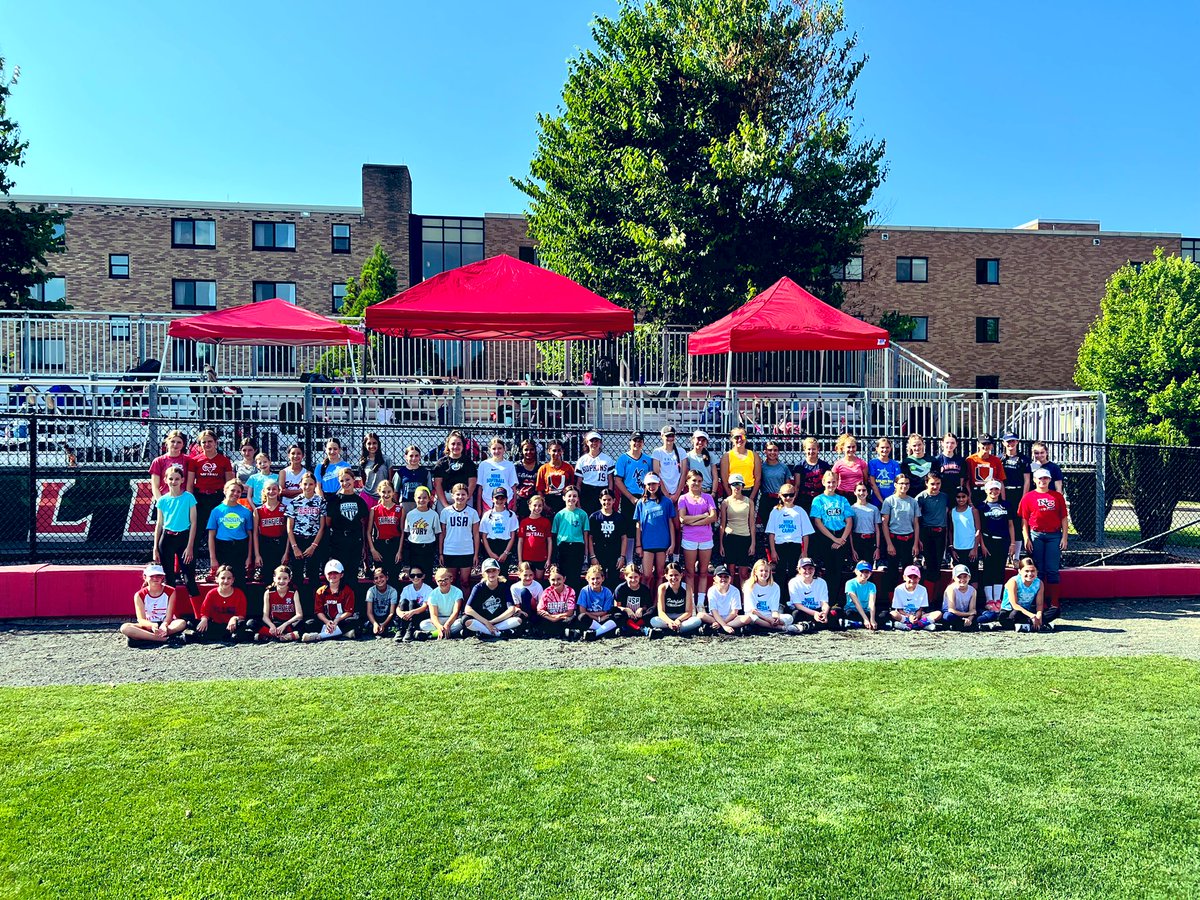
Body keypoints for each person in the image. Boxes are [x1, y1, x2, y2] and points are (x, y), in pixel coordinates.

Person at [1018, 470, 1069, 610]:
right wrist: (1026, 538)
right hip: (1036, 535)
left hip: (1054, 536)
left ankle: (1054, 602)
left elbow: (1064, 518)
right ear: (1034, 480)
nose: (1043, 481)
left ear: (1050, 480)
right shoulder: (1028, 497)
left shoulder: (1057, 496)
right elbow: (1024, 520)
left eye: (1046, 478)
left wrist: (1064, 537)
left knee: (1052, 569)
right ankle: (1038, 601)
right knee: (1038, 569)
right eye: (1040, 478)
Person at [187, 429, 234, 568]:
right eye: (204, 442)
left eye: (210, 441)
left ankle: (222, 570)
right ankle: (190, 570)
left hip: (218, 499)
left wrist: (226, 503)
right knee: (196, 533)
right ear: (200, 445)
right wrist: (191, 503)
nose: (207, 444)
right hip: (200, 499)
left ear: (216, 442)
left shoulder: (224, 460)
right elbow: (190, 485)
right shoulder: (194, 461)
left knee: (220, 533)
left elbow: (229, 484)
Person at [152, 466, 198, 599]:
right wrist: (155, 548)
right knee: (169, 579)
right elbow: (159, 524)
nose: (174, 481)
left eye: (177, 479)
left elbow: (194, 522)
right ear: (165, 480)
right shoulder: (162, 500)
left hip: (184, 539)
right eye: (171, 479)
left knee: (189, 578)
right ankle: (170, 610)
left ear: (182, 480)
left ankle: (198, 611)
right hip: (167, 539)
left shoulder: (188, 497)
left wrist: (190, 546)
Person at [285, 472, 327, 608]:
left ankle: (315, 608)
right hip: (298, 541)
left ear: (315, 485)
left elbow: (322, 527)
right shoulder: (294, 502)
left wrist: (313, 546)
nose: (307, 487)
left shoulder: (320, 501)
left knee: (314, 575)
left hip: (314, 542)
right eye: (305, 484)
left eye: (311, 484)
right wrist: (295, 547)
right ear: (300, 485)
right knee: (297, 577)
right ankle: (299, 608)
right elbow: (289, 528)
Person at [120, 564, 188, 646]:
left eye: (158, 576)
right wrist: (152, 625)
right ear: (145, 577)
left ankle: (146, 638)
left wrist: (164, 625)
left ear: (163, 577)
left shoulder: (171, 591)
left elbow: (169, 616)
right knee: (125, 628)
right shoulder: (139, 595)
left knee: (182, 623)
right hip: (148, 625)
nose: (155, 578)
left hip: (166, 625)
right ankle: (165, 639)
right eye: (152, 576)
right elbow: (141, 620)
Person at [977, 480, 1017, 615]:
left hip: (1003, 541)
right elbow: (979, 528)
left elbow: (1011, 525)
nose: (994, 492)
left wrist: (1012, 543)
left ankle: (997, 599)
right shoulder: (981, 506)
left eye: (996, 489)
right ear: (986, 490)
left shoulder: (1006, 505)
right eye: (991, 489)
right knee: (989, 569)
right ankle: (989, 600)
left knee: (999, 569)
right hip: (988, 541)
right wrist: (982, 545)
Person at [676, 469, 717, 600]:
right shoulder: (683, 498)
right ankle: (691, 603)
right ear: (687, 481)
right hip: (689, 539)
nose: (697, 483)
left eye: (699, 481)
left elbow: (713, 517)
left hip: (706, 538)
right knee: (690, 573)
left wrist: (693, 522)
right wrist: (702, 516)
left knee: (703, 572)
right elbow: (682, 519)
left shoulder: (708, 497)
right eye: (694, 480)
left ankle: (700, 603)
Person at [206, 479, 254, 591]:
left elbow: (250, 535)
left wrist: (249, 557)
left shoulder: (246, 511)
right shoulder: (216, 511)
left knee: (240, 582)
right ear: (225, 490)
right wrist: (213, 558)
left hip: (240, 548)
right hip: (222, 548)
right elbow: (211, 536)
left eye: (238, 492)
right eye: (232, 490)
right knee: (224, 580)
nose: (235, 494)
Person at [808, 470, 853, 584]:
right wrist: (834, 539)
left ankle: (835, 595)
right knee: (827, 569)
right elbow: (817, 522)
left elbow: (849, 521)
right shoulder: (818, 500)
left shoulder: (843, 500)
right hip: (825, 537)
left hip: (841, 536)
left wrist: (841, 540)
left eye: (834, 482)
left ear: (837, 483)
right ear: (823, 482)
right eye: (828, 482)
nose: (831, 485)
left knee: (838, 569)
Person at [186, 565, 250, 643]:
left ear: (233, 580)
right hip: (216, 625)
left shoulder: (239, 594)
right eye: (223, 578)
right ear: (217, 579)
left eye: (229, 578)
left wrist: (234, 618)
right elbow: (205, 611)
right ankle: (225, 636)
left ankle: (215, 636)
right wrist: (204, 619)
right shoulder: (212, 593)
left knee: (243, 624)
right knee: (192, 623)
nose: (226, 581)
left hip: (232, 626)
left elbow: (242, 615)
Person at [326, 468, 370, 582]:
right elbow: (328, 523)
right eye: (342, 480)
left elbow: (363, 523)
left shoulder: (359, 501)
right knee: (340, 572)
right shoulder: (334, 500)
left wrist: (363, 545)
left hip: (355, 540)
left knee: (352, 573)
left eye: (347, 479)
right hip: (339, 541)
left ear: (353, 479)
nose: (345, 483)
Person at [634, 473, 676, 591]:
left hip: (662, 543)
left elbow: (670, 523)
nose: (651, 487)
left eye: (653, 484)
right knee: (647, 575)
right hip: (647, 543)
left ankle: (658, 600)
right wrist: (638, 545)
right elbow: (638, 525)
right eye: (649, 484)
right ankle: (645, 600)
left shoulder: (666, 502)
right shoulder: (641, 503)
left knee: (660, 575)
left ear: (659, 484)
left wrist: (672, 544)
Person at [766, 482, 814, 585]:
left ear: (795, 494)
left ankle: (793, 594)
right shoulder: (775, 511)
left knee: (794, 572)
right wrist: (773, 550)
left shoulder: (800, 511)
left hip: (795, 545)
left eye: (791, 495)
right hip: (780, 545)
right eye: (785, 495)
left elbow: (806, 534)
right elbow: (771, 533)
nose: (788, 498)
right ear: (780, 495)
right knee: (780, 573)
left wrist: (804, 552)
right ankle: (781, 595)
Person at [303, 559, 363, 641]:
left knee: (355, 620)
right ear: (325, 575)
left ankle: (319, 636)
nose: (332, 575)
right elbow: (319, 612)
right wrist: (327, 621)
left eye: (336, 573)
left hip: (341, 620)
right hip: (326, 621)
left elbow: (349, 612)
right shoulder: (320, 591)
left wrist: (337, 620)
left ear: (341, 574)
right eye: (330, 573)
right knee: (309, 623)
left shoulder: (348, 590)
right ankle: (343, 633)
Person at [881, 474, 921, 594]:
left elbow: (916, 524)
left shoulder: (913, 502)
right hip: (894, 539)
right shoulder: (889, 501)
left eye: (907, 483)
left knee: (908, 572)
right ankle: (892, 600)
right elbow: (884, 524)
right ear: (895, 485)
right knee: (892, 572)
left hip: (909, 540)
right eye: (901, 483)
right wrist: (889, 544)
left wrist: (915, 544)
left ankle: (908, 598)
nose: (904, 486)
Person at [464, 559, 523, 640]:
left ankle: (486, 631)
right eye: (488, 571)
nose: (491, 574)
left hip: (499, 620)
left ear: (498, 571)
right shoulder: (478, 587)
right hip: (482, 621)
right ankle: (498, 633)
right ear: (484, 574)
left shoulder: (504, 586)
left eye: (494, 570)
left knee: (518, 620)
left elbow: (511, 609)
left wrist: (491, 623)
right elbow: (468, 609)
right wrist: (486, 622)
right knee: (467, 621)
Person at [439, 482, 480, 593]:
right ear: (452, 496)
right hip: (450, 551)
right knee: (451, 581)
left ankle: (466, 604)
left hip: (467, 551)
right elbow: (442, 533)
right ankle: (452, 604)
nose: (460, 497)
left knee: (465, 581)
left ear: (468, 496)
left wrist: (476, 554)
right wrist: (441, 553)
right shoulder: (446, 512)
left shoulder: (472, 512)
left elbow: (476, 534)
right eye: (457, 494)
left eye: (463, 494)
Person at [1001, 557, 1059, 632]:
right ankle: (1036, 624)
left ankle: (1029, 624)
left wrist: (1039, 615)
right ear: (1019, 571)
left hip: (1027, 611)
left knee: (1055, 610)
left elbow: (1039, 604)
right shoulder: (1013, 581)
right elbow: (1014, 605)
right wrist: (1031, 615)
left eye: (1033, 571)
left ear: (1037, 571)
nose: (1030, 574)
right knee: (1016, 613)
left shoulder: (1039, 583)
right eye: (1026, 571)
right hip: (1010, 612)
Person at [915, 472, 950, 595]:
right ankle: (927, 596)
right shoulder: (921, 498)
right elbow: (917, 519)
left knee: (937, 565)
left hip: (940, 533)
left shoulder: (945, 497)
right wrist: (918, 539)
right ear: (926, 483)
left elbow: (946, 514)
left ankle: (934, 596)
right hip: (926, 533)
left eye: (938, 484)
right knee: (929, 565)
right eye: (932, 484)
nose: (935, 487)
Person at [718, 474, 755, 585]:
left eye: (739, 484)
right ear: (730, 486)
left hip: (745, 538)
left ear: (743, 486)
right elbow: (722, 525)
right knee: (731, 572)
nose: (737, 486)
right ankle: (730, 595)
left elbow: (752, 524)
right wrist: (721, 544)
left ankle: (744, 596)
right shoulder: (725, 502)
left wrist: (753, 543)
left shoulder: (749, 502)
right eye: (734, 484)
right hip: (730, 538)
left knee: (744, 574)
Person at [743, 558, 797, 633]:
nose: (764, 573)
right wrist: (768, 620)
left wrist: (775, 618)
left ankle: (765, 626)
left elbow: (774, 610)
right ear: (755, 572)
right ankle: (782, 628)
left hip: (769, 615)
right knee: (751, 618)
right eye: (761, 571)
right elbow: (752, 611)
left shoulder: (775, 586)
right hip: (756, 615)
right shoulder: (749, 585)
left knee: (789, 618)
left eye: (766, 571)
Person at [615, 432, 653, 536]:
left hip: (644, 496)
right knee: (629, 527)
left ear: (643, 443)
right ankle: (629, 547)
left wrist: (646, 494)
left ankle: (642, 546)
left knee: (645, 525)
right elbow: (618, 480)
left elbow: (651, 479)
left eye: (640, 441)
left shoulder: (648, 460)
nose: (637, 443)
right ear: (630, 442)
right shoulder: (623, 458)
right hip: (628, 496)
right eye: (634, 440)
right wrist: (631, 497)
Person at [252, 565, 303, 643]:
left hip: (288, 624)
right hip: (275, 624)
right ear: (274, 578)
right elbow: (265, 617)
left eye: (285, 578)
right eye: (279, 578)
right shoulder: (269, 592)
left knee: (307, 624)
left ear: (289, 579)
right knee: (251, 623)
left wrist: (285, 624)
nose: (281, 581)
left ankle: (267, 636)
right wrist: (271, 626)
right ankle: (286, 636)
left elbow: (299, 615)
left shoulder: (293, 592)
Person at [551, 486, 589, 590]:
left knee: (575, 576)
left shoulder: (582, 514)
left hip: (577, 547)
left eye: (574, 496)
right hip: (563, 547)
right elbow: (554, 535)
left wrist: (586, 552)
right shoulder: (559, 515)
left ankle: (573, 597)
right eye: (569, 496)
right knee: (562, 575)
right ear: (564, 497)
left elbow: (585, 534)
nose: (572, 498)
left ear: (578, 498)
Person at [587, 489, 627, 587]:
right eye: (604, 500)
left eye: (609, 499)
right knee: (598, 579)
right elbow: (590, 538)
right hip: (599, 554)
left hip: (614, 554)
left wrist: (622, 556)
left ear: (614, 500)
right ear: (600, 500)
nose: (606, 502)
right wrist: (592, 556)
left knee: (613, 581)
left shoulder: (619, 518)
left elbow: (624, 538)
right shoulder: (594, 517)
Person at [651, 562, 702, 636]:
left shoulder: (687, 588)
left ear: (681, 575)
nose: (674, 578)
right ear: (666, 576)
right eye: (671, 575)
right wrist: (669, 622)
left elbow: (688, 612)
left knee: (697, 620)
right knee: (654, 621)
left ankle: (670, 630)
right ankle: (677, 629)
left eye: (676, 575)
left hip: (682, 618)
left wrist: (678, 620)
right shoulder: (662, 588)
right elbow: (661, 612)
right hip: (667, 617)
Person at [368, 480, 404, 585]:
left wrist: (399, 551)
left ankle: (394, 596)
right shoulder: (374, 510)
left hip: (394, 545)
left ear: (393, 492)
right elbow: (368, 532)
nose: (386, 494)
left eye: (389, 492)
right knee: (380, 576)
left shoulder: (399, 509)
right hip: (380, 545)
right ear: (379, 492)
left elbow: (402, 532)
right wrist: (373, 550)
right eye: (383, 492)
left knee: (393, 576)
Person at [787, 557, 837, 632]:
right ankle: (813, 624)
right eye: (804, 568)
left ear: (814, 569)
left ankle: (809, 625)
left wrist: (824, 613)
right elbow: (798, 605)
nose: (807, 571)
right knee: (796, 614)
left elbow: (824, 603)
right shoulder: (793, 582)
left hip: (817, 610)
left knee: (835, 612)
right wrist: (815, 614)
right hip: (803, 610)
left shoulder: (821, 582)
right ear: (799, 570)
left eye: (810, 568)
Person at [401, 486, 440, 579]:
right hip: (414, 547)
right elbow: (407, 531)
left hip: (428, 547)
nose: (422, 500)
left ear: (429, 499)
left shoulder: (434, 514)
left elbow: (437, 532)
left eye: (424, 497)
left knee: (427, 573)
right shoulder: (410, 514)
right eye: (419, 497)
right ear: (414, 498)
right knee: (415, 573)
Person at [433, 430, 478, 509]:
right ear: (448, 445)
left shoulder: (469, 463)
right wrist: (446, 505)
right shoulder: (441, 463)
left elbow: (472, 483)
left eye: (459, 444)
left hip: (464, 497)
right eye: (453, 444)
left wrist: (464, 500)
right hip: (446, 497)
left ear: (463, 446)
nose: (456, 446)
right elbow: (437, 484)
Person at [254, 481, 288, 585]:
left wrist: (286, 553)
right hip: (265, 545)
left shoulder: (285, 508)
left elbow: (288, 533)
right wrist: (257, 555)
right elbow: (255, 534)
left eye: (274, 489)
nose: (271, 491)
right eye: (268, 489)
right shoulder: (258, 510)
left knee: (281, 575)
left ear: (279, 491)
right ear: (264, 491)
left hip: (280, 545)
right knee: (267, 578)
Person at [572, 564, 619, 641]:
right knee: (581, 617)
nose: (595, 581)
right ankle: (605, 631)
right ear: (588, 579)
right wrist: (598, 618)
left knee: (618, 616)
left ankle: (595, 633)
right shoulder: (584, 591)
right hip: (591, 620)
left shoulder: (607, 592)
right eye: (592, 579)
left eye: (598, 578)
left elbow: (605, 611)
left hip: (604, 618)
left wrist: (599, 617)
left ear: (603, 578)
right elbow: (582, 611)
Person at [575, 430, 616, 515]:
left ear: (600, 443)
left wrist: (609, 496)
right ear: (587, 442)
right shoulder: (582, 460)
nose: (594, 443)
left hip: (602, 490)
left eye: (596, 440)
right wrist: (578, 501)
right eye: (591, 441)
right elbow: (578, 483)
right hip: (587, 491)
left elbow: (610, 481)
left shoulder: (607, 459)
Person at [702, 564, 751, 635]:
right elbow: (714, 611)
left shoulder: (735, 591)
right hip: (715, 617)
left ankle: (718, 627)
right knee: (700, 615)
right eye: (720, 576)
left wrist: (723, 624)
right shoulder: (712, 590)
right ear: (715, 578)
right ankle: (728, 627)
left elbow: (734, 612)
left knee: (747, 618)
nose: (723, 579)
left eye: (726, 577)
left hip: (730, 618)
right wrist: (724, 625)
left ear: (730, 579)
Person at [480, 487, 519, 570]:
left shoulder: (511, 515)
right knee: (490, 572)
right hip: (491, 546)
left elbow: (512, 536)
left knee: (503, 573)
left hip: (505, 546)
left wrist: (506, 553)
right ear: (492, 499)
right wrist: (490, 553)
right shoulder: (487, 515)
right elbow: (484, 537)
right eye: (497, 498)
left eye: (502, 498)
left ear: (506, 499)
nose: (499, 500)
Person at [419, 567, 464, 639]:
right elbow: (434, 615)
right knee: (423, 624)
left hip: (452, 619)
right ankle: (447, 633)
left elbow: (456, 612)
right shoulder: (433, 594)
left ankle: (433, 634)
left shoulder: (457, 592)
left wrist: (447, 625)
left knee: (460, 623)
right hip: (439, 619)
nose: (443, 582)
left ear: (451, 579)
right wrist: (439, 627)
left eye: (446, 579)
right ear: (436, 582)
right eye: (440, 580)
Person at [889, 565, 937, 631]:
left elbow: (920, 609)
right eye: (909, 577)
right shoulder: (898, 589)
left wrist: (916, 617)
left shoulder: (923, 589)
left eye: (915, 577)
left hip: (919, 616)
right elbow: (899, 610)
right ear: (904, 577)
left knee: (938, 614)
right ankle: (922, 625)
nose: (912, 580)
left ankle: (910, 625)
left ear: (919, 578)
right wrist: (909, 616)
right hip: (904, 615)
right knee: (893, 614)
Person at [533, 565, 577, 638]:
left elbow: (570, 612)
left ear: (564, 579)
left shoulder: (570, 591)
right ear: (549, 580)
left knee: (572, 619)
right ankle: (558, 631)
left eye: (559, 579)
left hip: (563, 618)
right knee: (536, 617)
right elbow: (539, 610)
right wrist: (551, 618)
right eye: (553, 580)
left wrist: (556, 617)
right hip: (549, 619)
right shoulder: (547, 592)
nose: (556, 582)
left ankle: (555, 631)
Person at [477, 436, 518, 514]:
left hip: (506, 503)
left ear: (504, 449)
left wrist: (514, 505)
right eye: (494, 449)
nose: (497, 451)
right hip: (487, 502)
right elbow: (480, 487)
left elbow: (513, 487)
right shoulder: (483, 464)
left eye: (499, 448)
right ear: (489, 450)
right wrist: (479, 508)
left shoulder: (509, 465)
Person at [148, 429, 192, 499]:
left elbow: (190, 484)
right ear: (167, 442)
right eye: (172, 441)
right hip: (165, 498)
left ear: (183, 444)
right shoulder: (158, 461)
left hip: (183, 499)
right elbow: (155, 486)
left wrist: (187, 501)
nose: (175, 445)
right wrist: (161, 502)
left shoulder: (188, 460)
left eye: (179, 442)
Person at [758, 440, 794, 526]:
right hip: (766, 499)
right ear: (765, 451)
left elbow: (788, 486)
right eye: (770, 450)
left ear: (778, 452)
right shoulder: (761, 467)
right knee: (767, 524)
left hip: (780, 499)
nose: (772, 452)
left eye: (775, 450)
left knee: (780, 524)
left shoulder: (783, 467)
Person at [720, 427, 760, 503]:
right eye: (736, 437)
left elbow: (757, 479)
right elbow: (724, 480)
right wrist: (731, 497)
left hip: (748, 491)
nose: (739, 440)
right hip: (732, 491)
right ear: (731, 439)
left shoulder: (754, 455)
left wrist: (751, 498)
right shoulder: (727, 456)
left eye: (742, 437)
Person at [518, 494, 553, 580]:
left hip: (541, 557)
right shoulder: (524, 522)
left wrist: (548, 559)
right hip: (526, 557)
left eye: (540, 505)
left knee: (538, 581)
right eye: (535, 505)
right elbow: (520, 542)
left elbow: (549, 541)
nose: (537, 508)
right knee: (527, 580)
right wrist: (520, 560)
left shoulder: (546, 522)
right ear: (529, 506)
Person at [535, 439, 575, 516]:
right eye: (554, 450)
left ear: (562, 451)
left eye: (559, 450)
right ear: (548, 451)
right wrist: (544, 505)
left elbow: (573, 486)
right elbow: (539, 490)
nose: (556, 453)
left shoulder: (568, 467)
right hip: (549, 501)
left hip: (564, 500)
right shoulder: (543, 468)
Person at [614, 563, 655, 636]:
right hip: (627, 616)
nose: (633, 580)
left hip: (639, 616)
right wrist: (626, 609)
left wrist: (641, 609)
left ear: (640, 576)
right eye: (630, 577)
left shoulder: (644, 589)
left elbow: (647, 605)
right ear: (625, 577)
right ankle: (642, 629)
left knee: (652, 612)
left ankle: (627, 629)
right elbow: (617, 606)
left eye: (636, 577)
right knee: (617, 615)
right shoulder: (620, 589)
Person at [849, 481, 882, 572]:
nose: (861, 493)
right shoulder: (851, 509)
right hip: (857, 540)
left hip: (870, 541)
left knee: (868, 568)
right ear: (854, 492)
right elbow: (850, 531)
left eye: (864, 490)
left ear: (867, 492)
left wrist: (877, 548)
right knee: (857, 569)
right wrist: (852, 549)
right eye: (859, 490)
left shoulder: (874, 509)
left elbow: (877, 530)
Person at [791, 437, 831, 510]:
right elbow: (797, 486)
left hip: (820, 498)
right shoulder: (799, 466)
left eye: (813, 449)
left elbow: (828, 483)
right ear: (805, 449)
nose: (811, 451)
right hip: (804, 498)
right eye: (809, 449)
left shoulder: (824, 465)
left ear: (818, 449)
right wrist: (793, 500)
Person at [392, 444, 433, 515]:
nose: (414, 458)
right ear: (406, 457)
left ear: (420, 457)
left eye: (416, 456)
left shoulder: (425, 472)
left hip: (421, 503)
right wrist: (397, 505)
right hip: (406, 504)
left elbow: (430, 490)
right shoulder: (400, 472)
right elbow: (395, 491)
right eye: (411, 456)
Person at [395, 565, 432, 642]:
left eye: (419, 575)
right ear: (409, 577)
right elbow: (398, 606)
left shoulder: (428, 589)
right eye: (412, 575)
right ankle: (401, 629)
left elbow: (425, 606)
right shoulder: (406, 589)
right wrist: (400, 613)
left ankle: (410, 629)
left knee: (412, 603)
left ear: (423, 576)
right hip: (407, 615)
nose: (415, 577)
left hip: (420, 614)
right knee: (404, 602)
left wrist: (412, 612)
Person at [965, 434, 1004, 505]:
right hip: (975, 493)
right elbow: (967, 481)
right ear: (978, 444)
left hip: (991, 494)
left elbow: (1000, 480)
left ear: (992, 446)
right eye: (983, 443)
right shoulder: (970, 460)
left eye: (988, 444)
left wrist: (1003, 501)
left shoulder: (996, 460)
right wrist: (969, 499)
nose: (986, 446)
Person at [651, 425, 687, 503]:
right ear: (662, 436)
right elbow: (657, 474)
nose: (670, 438)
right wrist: (667, 494)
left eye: (672, 436)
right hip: (662, 491)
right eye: (667, 436)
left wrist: (677, 494)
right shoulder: (657, 452)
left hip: (678, 492)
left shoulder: (681, 452)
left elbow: (683, 474)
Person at [949, 488, 982, 572]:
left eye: (963, 496)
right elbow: (950, 530)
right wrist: (952, 549)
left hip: (971, 548)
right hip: (957, 548)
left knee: (973, 574)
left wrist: (975, 549)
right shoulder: (952, 512)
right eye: (958, 497)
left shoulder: (973, 511)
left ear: (968, 497)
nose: (961, 499)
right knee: (959, 574)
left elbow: (978, 530)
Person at [1000, 432, 1030, 521]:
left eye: (1013, 441)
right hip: (1003, 491)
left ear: (1017, 442)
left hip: (1018, 492)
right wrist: (1002, 498)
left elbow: (1027, 480)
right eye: (1008, 441)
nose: (1011, 444)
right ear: (1003, 443)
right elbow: (998, 479)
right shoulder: (999, 459)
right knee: (1004, 519)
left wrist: (1024, 498)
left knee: (1019, 519)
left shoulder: (1024, 459)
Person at [831, 433, 869, 503]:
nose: (851, 449)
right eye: (848, 447)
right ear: (843, 448)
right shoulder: (838, 464)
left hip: (858, 495)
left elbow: (865, 481)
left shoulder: (862, 463)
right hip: (842, 495)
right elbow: (834, 481)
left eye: (853, 447)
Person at [843, 560, 879, 630]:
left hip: (866, 610)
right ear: (856, 571)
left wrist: (872, 619)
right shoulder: (850, 583)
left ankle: (858, 623)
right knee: (849, 613)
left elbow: (871, 603)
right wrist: (865, 619)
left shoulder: (872, 585)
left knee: (884, 614)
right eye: (862, 571)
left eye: (867, 572)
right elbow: (856, 602)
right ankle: (863, 622)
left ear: (870, 573)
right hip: (853, 610)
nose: (864, 574)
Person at [358, 433, 390, 508]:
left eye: (374, 443)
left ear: (378, 444)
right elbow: (363, 480)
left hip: (383, 496)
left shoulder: (386, 459)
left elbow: (390, 480)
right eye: (369, 443)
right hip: (367, 496)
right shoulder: (363, 461)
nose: (372, 446)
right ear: (365, 445)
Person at [365, 567, 399, 638]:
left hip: (387, 617)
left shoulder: (392, 591)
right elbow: (369, 612)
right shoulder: (371, 591)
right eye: (376, 578)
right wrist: (374, 623)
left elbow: (391, 612)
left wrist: (384, 624)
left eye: (381, 577)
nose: (379, 580)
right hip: (375, 617)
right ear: (373, 581)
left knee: (395, 624)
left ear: (387, 577)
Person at [941, 564, 977, 630]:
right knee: (947, 616)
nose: (962, 579)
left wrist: (970, 618)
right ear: (954, 578)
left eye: (965, 577)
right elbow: (951, 610)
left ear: (969, 577)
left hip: (965, 613)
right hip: (952, 613)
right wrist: (967, 614)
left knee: (990, 615)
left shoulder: (973, 590)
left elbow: (972, 610)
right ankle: (965, 623)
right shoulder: (951, 589)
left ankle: (964, 623)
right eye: (959, 577)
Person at [868, 437, 901, 508]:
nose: (885, 450)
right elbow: (872, 484)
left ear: (890, 448)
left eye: (887, 447)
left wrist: (892, 499)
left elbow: (898, 482)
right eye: (882, 447)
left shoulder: (895, 464)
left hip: (892, 500)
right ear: (877, 449)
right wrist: (882, 501)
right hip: (876, 500)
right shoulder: (872, 463)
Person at [513, 440, 541, 519]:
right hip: (519, 502)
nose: (529, 452)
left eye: (531, 449)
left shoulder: (540, 467)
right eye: (526, 449)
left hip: (535, 503)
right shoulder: (516, 466)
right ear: (522, 451)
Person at [933, 432, 966, 498]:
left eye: (952, 443)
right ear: (942, 443)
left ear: (956, 444)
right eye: (947, 442)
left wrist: (960, 490)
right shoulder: (936, 460)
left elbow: (962, 477)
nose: (950, 445)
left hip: (955, 492)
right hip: (941, 493)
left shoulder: (961, 460)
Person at [684, 430, 717, 494]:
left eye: (703, 440)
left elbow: (715, 477)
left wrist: (713, 492)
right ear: (693, 439)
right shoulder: (688, 456)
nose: (700, 442)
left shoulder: (711, 456)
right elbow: (686, 476)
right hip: (694, 490)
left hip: (708, 491)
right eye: (698, 439)